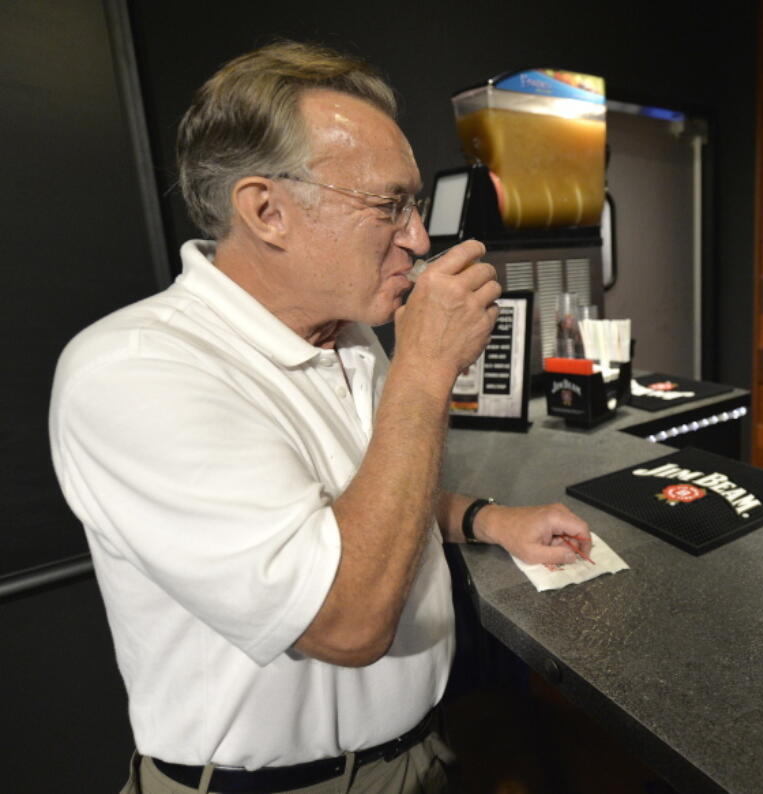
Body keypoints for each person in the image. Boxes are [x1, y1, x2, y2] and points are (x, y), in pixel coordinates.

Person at [49, 41, 591, 794]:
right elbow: (344, 621)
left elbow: (359, 504)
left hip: (419, 755)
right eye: (389, 205)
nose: (418, 238)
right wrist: (425, 371)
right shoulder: (134, 371)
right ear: (266, 210)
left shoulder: (349, 334)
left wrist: (485, 519)